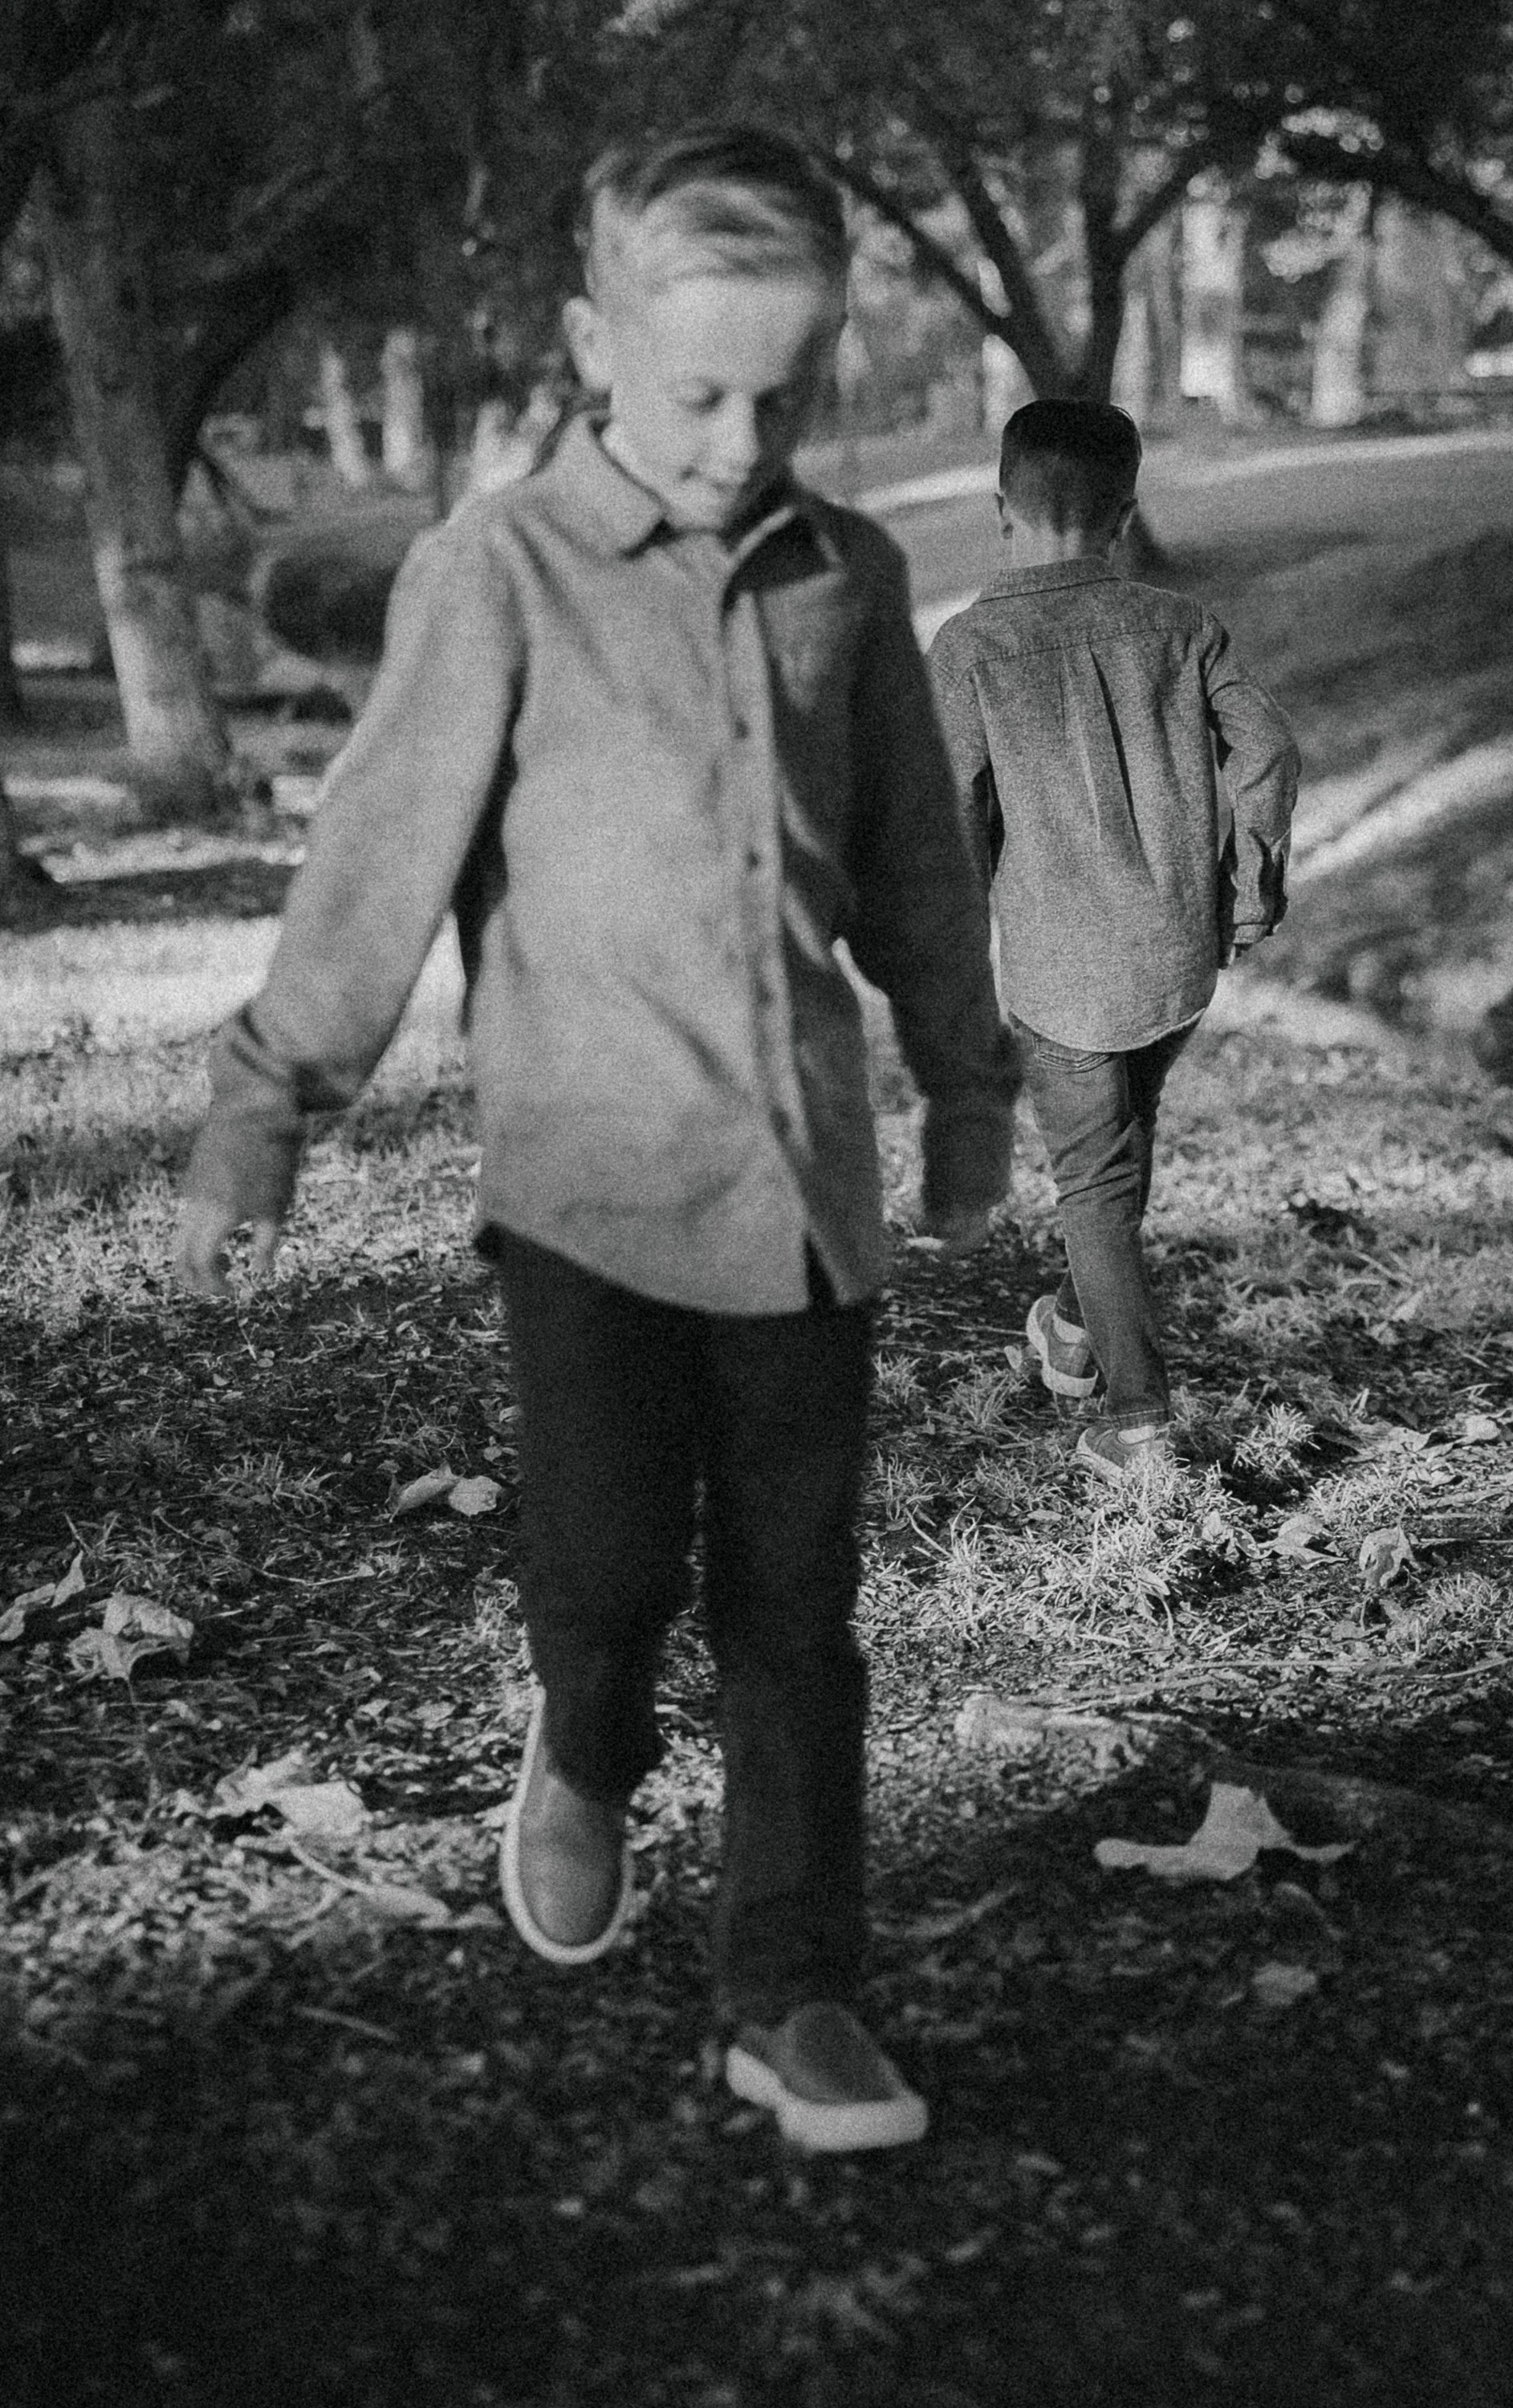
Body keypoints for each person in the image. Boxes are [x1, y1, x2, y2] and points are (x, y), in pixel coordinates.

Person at [175, 125, 1018, 2152]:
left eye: (784, 397)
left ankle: (791, 1994)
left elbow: (910, 866)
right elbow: (376, 863)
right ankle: (588, 1736)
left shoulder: (851, 579)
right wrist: (264, 1105)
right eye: (697, 393)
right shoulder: (501, 575)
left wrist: (969, 1090)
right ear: (589, 348)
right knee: (610, 1566)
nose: (741, 440)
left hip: (802, 1196)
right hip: (588, 1201)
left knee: (799, 1614)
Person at [927, 399, 1299, 1483]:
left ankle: (1135, 1420)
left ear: (1002, 511)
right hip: (1177, 957)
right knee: (1120, 1147)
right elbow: (1269, 746)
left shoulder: (971, 647)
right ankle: (1080, 1330)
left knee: (1092, 1181)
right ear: (1125, 516)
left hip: (1061, 973)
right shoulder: (1182, 627)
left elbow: (948, 815)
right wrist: (1250, 885)